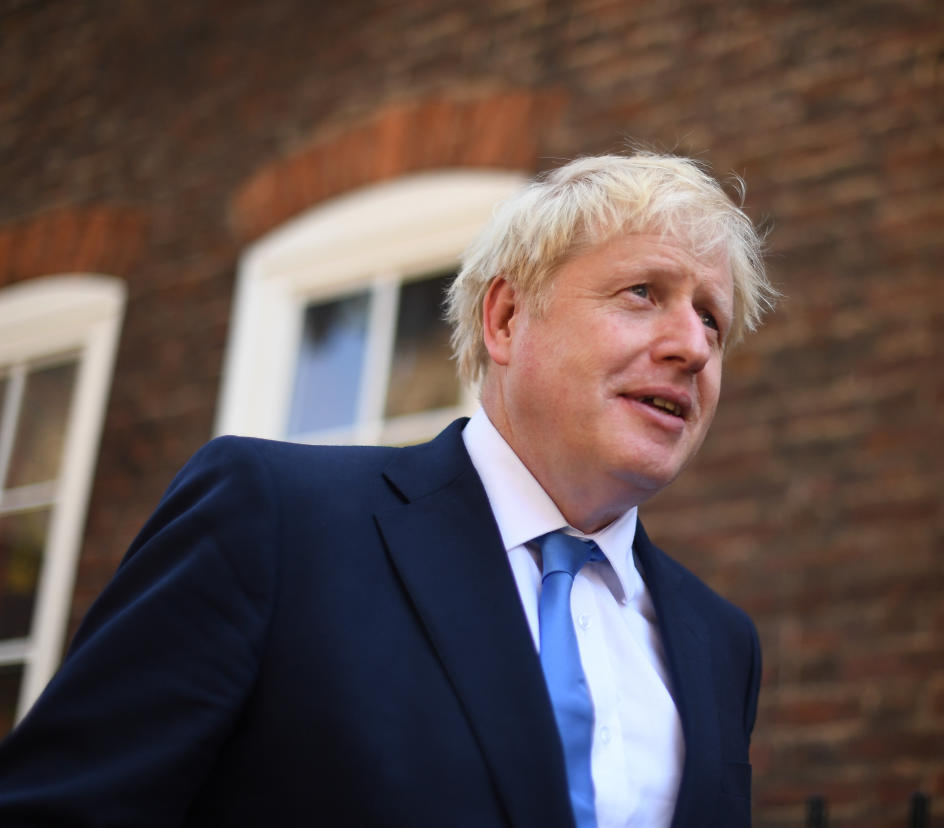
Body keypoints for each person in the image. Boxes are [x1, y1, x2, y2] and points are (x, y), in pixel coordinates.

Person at [0, 152, 776, 827]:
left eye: (713, 319)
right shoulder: (273, 519)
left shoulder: (721, 643)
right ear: (506, 319)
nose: (692, 347)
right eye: (643, 292)